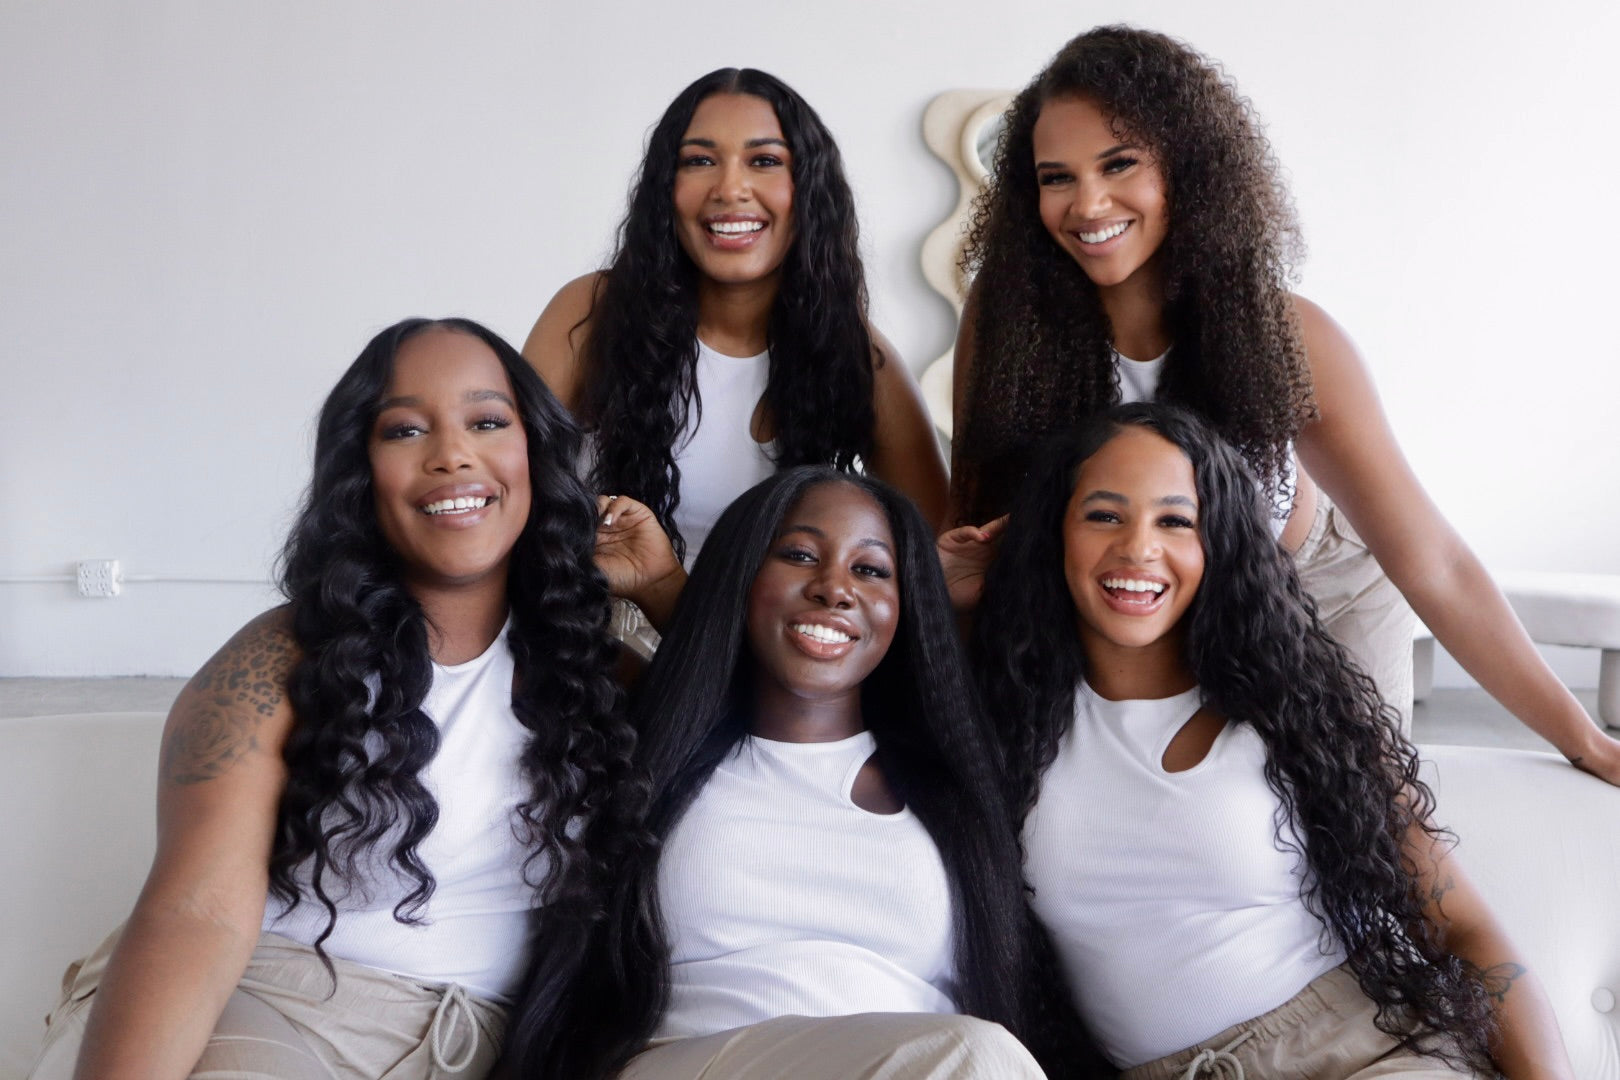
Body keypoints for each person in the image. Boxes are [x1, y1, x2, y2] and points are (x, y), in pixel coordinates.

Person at [949, 24, 1620, 778]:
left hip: (1324, 585)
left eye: (1119, 163)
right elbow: (973, 528)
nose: (1088, 203)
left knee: (1363, 805)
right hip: (1152, 596)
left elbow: (1434, 564)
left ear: (1186, 166)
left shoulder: (1286, 335)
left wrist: (1588, 743)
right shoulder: (1008, 322)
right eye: (1057, 177)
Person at [28, 318, 654, 1080]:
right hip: (264, 1001)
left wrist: (664, 588)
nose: (452, 454)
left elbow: (765, 721)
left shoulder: (596, 672)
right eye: (405, 430)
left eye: (487, 422)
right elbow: (196, 914)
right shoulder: (278, 662)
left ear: (535, 453)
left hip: (478, 1046)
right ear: (361, 471)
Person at [973, 403, 1574, 1079]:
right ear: (1053, 531)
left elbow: (1464, 929)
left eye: (1176, 521)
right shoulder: (1006, 723)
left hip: (1362, 1051)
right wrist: (941, 591)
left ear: (1219, 542)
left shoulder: (1297, 709)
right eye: (1105, 515)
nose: (1139, 547)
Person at [504, 467, 1049, 1080]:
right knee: (977, 1056)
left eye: (870, 570)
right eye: (799, 555)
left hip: (919, 1065)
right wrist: (655, 583)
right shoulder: (646, 753)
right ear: (743, 574)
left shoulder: (953, 791)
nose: (834, 588)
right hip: (689, 1060)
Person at [524, 67, 948, 573]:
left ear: (809, 189)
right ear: (666, 187)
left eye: (764, 161)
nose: (729, 188)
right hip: (597, 615)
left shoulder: (852, 353)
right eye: (699, 160)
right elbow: (507, 491)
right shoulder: (591, 310)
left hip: (765, 624)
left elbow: (932, 550)